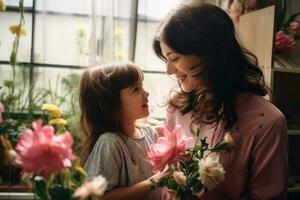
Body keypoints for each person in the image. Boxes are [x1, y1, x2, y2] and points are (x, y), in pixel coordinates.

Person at [153, 3, 288, 200]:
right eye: (166, 59)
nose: (169, 71)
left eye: (174, 58)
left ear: (209, 53)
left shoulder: (267, 124)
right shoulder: (177, 106)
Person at [79, 62, 166, 200]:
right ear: (112, 104)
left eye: (142, 86)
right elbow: (98, 197)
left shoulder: (150, 133)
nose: (146, 93)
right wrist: (155, 180)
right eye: (135, 90)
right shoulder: (110, 143)